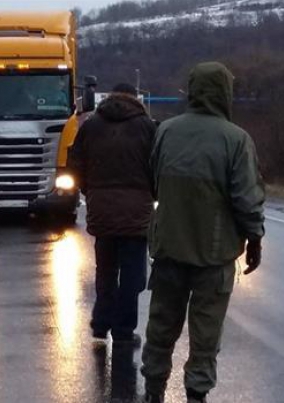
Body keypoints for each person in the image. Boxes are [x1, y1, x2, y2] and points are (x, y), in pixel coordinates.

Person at [141, 62, 265, 403]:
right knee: (206, 332)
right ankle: (196, 394)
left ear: (192, 90)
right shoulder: (236, 139)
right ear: (226, 92)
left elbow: (155, 183)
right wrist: (254, 238)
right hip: (215, 252)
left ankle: (153, 391)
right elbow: (246, 198)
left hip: (168, 247)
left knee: (161, 326)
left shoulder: (166, 130)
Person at [69, 83, 155, 347]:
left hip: (101, 208)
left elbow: (74, 164)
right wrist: (152, 194)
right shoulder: (147, 127)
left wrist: (90, 190)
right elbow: (158, 164)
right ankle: (123, 330)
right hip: (136, 211)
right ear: (134, 98)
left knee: (105, 269)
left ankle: (100, 322)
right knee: (133, 275)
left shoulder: (91, 126)